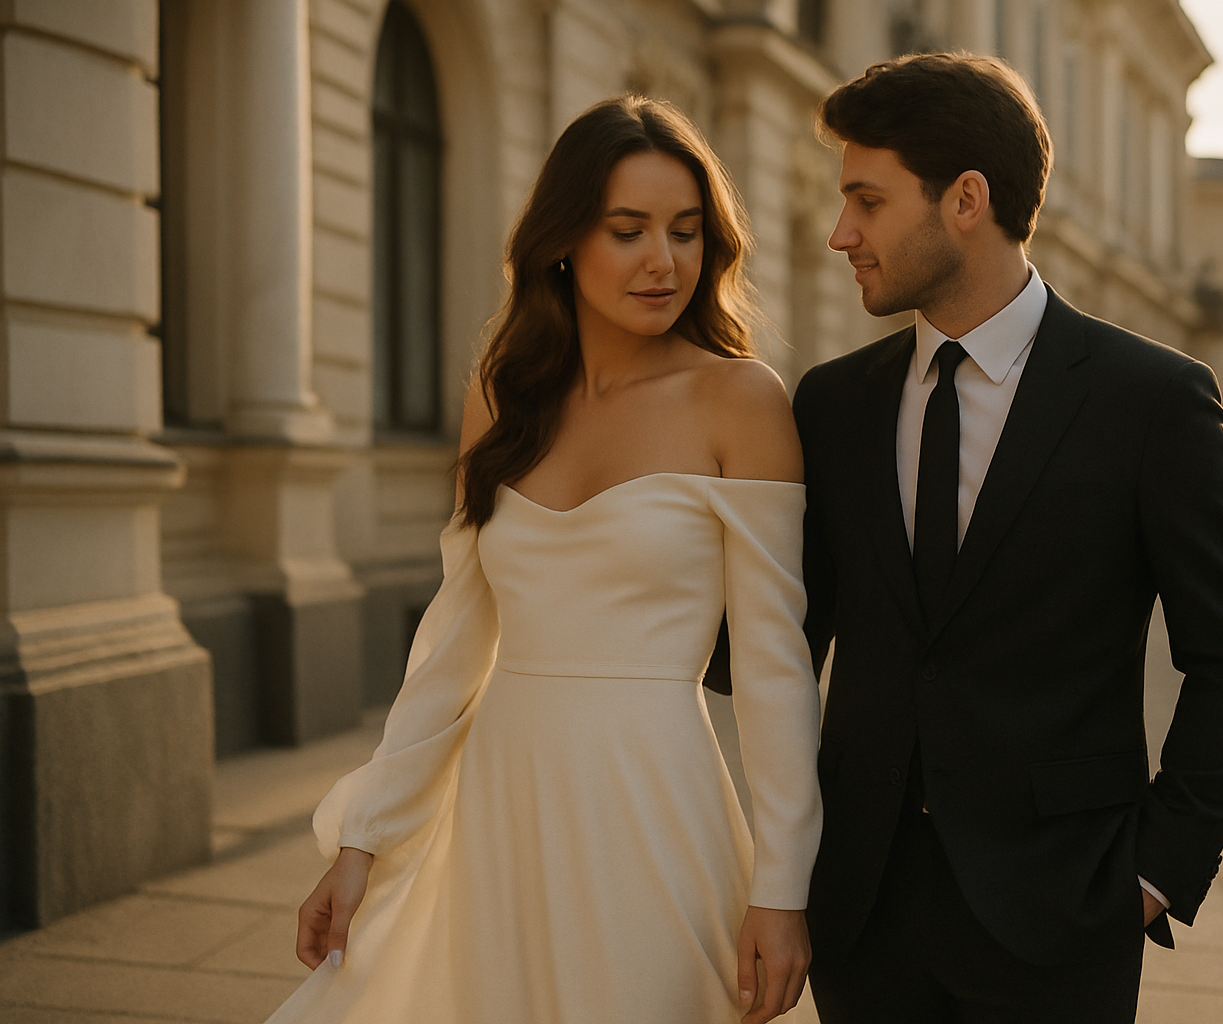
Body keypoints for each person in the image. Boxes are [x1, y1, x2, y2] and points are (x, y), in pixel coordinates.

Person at [266, 96, 823, 1024]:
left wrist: (782, 885)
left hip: (653, 800)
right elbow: (454, 641)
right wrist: (363, 837)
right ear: (563, 241)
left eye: (686, 232)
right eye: (628, 230)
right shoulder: (503, 399)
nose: (664, 260)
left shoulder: (740, 400)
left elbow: (775, 669)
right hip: (500, 804)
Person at [793, 53, 1223, 1023]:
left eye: (868, 200)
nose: (840, 232)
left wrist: (1156, 872)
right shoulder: (832, 405)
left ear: (966, 200)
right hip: (861, 918)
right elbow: (773, 646)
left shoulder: (1152, 402)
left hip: (1064, 918)